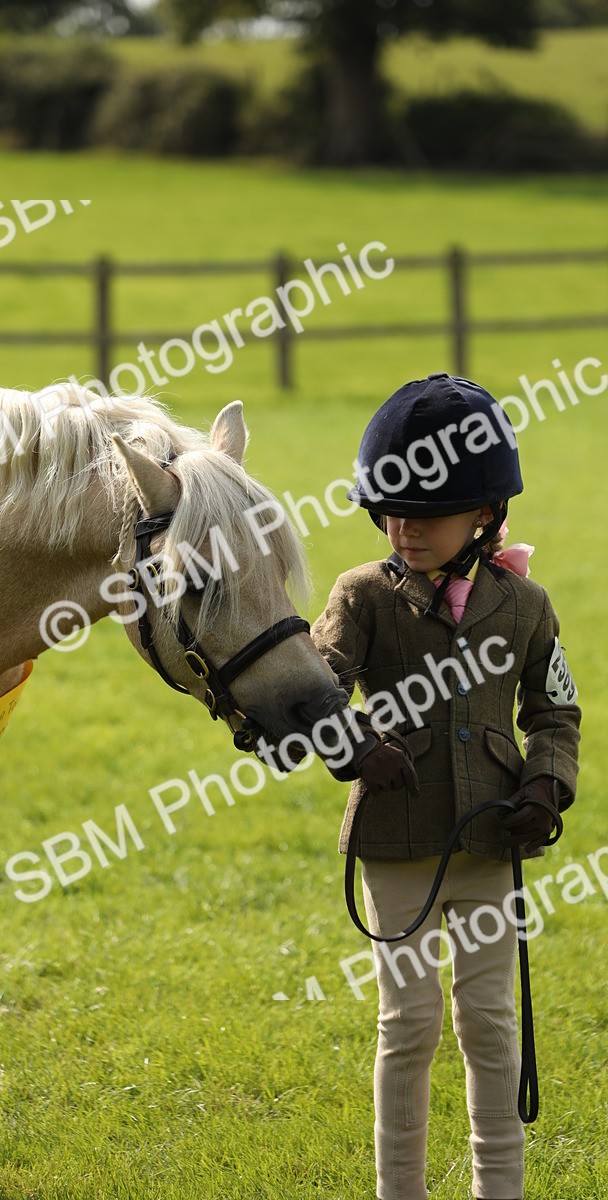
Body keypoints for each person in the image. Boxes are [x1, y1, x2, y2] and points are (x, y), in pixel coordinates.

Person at [311, 372, 581, 1200]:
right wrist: (355, 745)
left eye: (423, 514)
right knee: (410, 1024)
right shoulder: (362, 595)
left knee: (492, 1025)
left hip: (493, 842)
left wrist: (545, 790)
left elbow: (556, 714)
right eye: (389, 512)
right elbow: (318, 689)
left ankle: (499, 1189)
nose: (402, 528)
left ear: (484, 516)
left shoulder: (526, 605)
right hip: (395, 844)